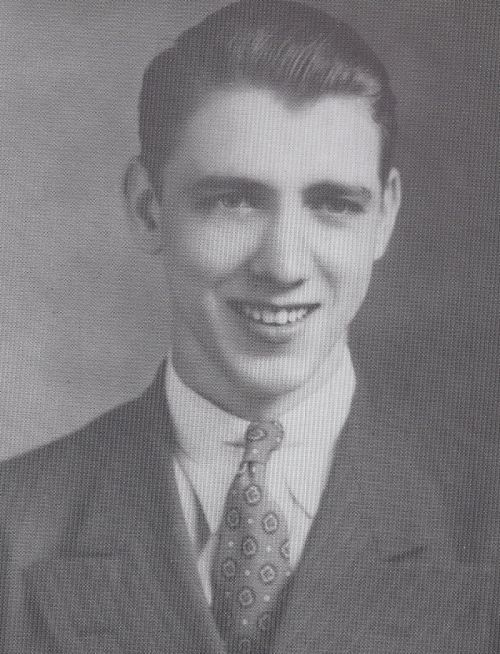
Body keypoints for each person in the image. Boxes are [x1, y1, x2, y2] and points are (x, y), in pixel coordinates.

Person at [0, 1, 498, 652]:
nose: (284, 266)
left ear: (384, 217)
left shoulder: (485, 516)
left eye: (333, 204)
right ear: (149, 208)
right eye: (233, 201)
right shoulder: (15, 526)